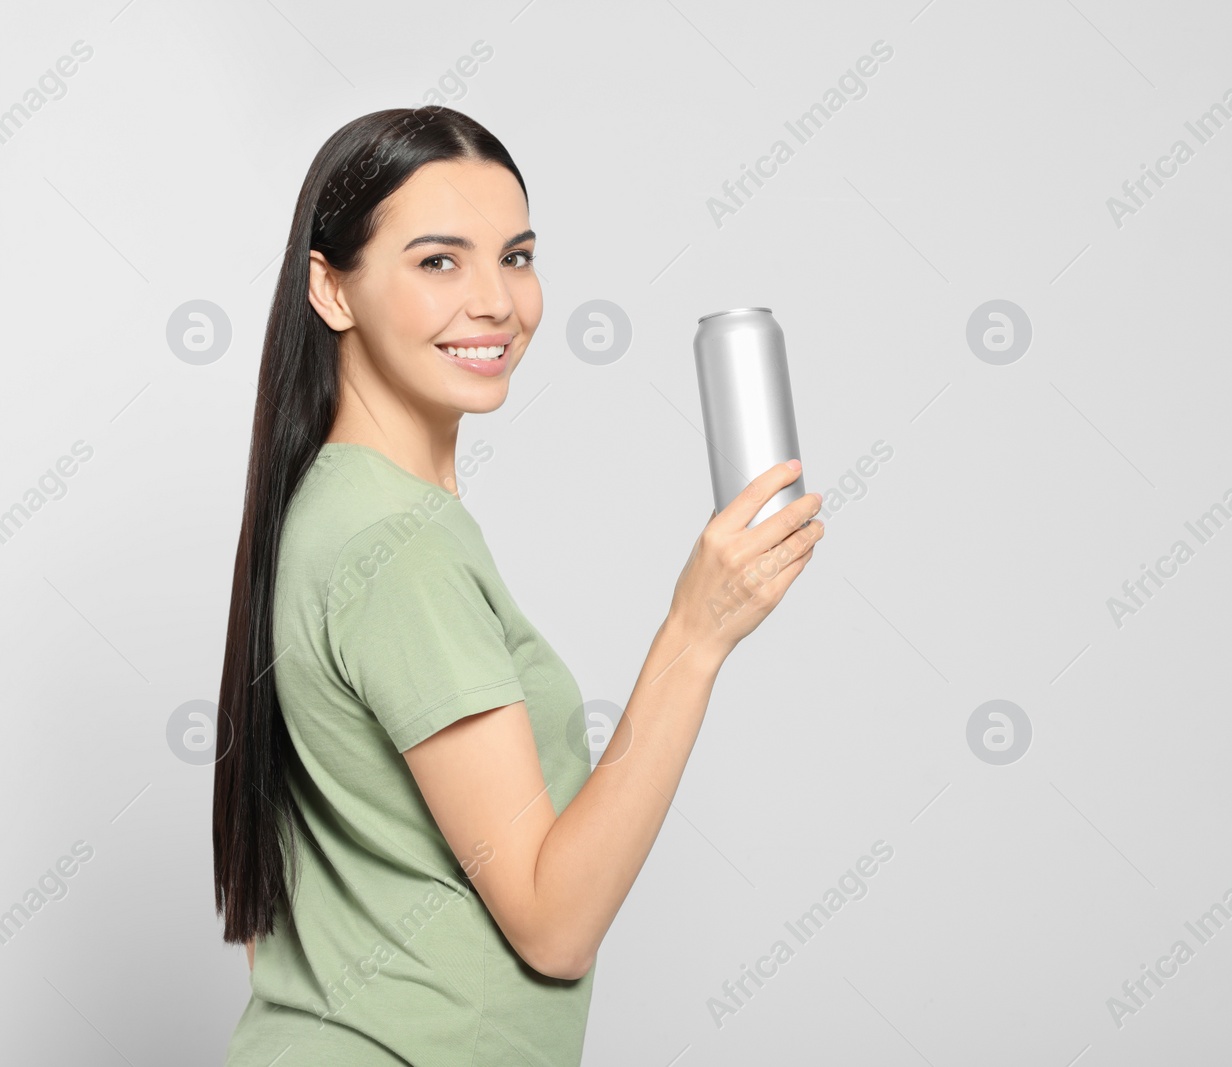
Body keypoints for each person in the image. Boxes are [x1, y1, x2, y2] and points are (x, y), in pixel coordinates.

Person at [212, 106, 824, 1065]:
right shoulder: (397, 544)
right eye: (438, 261)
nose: (497, 301)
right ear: (331, 289)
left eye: (519, 255)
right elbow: (553, 923)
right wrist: (695, 634)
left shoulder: (338, 508)